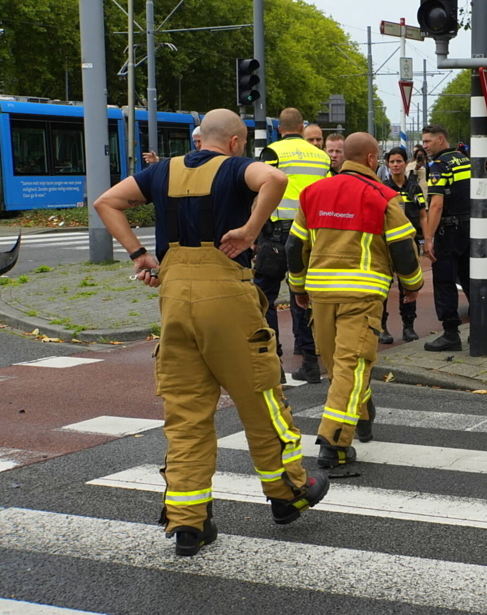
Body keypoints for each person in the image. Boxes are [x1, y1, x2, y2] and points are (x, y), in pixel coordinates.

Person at [92, 109, 328, 557]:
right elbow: (274, 181)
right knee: (260, 399)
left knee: (185, 418)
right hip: (227, 299)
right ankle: (288, 494)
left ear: (201, 140)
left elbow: (107, 201)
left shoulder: (161, 171)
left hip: (175, 302)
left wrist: (140, 255)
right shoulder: (238, 168)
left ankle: (188, 523)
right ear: (236, 142)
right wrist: (250, 230)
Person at [286, 132, 424, 471]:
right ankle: (334, 444)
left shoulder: (312, 194)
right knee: (351, 366)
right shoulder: (383, 197)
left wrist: (298, 288)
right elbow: (404, 250)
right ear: (371, 158)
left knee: (339, 367)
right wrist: (413, 285)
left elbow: (294, 248)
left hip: (320, 294)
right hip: (362, 295)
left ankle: (359, 414)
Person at [255, 108, 331, 384]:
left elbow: (260, 191)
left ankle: (274, 361)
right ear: (302, 128)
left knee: (265, 297)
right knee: (302, 295)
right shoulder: (321, 157)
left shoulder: (272, 152)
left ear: (279, 129)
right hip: (311, 235)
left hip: (276, 235)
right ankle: (310, 361)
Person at [421, 123, 471, 352]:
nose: (425, 146)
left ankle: (451, 334)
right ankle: (481, 327)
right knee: (471, 279)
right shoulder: (465, 159)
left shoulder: (439, 166)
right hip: (470, 229)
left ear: (441, 139)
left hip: (448, 231)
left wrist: (428, 238)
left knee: (444, 282)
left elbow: (437, 203)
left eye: (427, 141)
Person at [380, 147, 428, 343]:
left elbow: (423, 214)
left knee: (409, 284)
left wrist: (427, 239)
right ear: (387, 164)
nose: (395, 165)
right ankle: (381, 327)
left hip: (409, 243)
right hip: (387, 245)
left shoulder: (414, 187)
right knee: (383, 286)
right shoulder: (382, 188)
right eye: (392, 162)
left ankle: (408, 326)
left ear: (405, 163)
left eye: (399, 161)